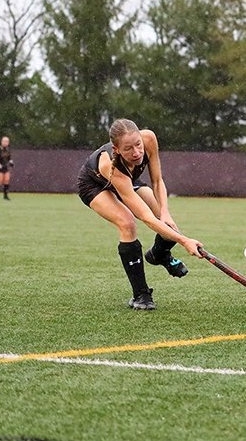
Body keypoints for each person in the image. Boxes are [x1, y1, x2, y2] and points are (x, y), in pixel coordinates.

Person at [77, 118, 203, 311]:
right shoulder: (110, 166)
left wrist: (165, 213)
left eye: (138, 145)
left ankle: (159, 255)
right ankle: (141, 294)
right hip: (94, 185)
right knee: (128, 223)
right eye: (128, 149)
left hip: (129, 180)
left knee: (167, 225)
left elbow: (157, 180)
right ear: (116, 149)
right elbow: (145, 217)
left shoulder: (149, 139)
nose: (136, 153)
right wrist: (185, 241)